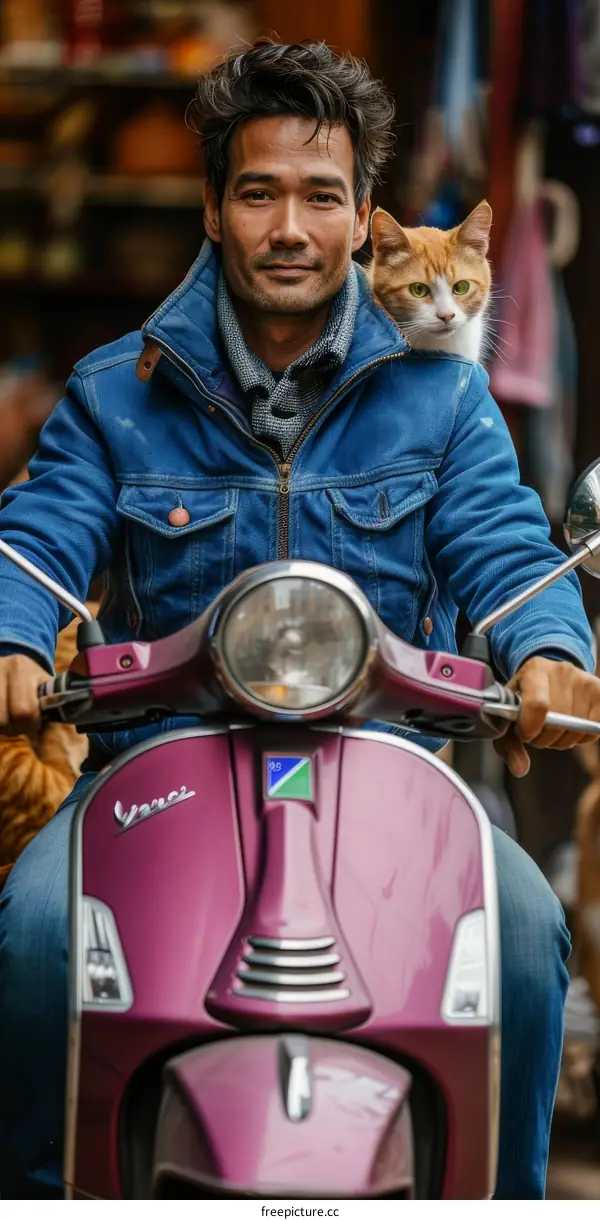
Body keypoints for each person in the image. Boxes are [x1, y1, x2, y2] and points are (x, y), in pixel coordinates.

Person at [0, 39, 598, 1201]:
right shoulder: (117, 389)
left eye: (321, 196)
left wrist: (552, 650)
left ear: (363, 215)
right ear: (215, 211)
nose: (290, 226)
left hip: (394, 769)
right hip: (155, 770)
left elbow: (505, 546)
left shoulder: (448, 395)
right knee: (31, 941)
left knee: (523, 941)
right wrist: (13, 635)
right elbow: (40, 531)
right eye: (259, 191)